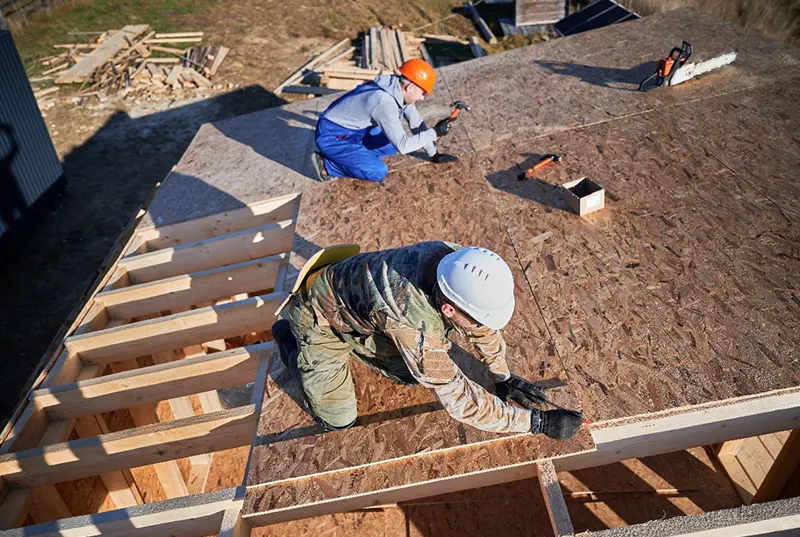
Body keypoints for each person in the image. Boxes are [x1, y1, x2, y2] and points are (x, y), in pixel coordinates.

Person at [271, 241, 584, 440]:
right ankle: (290, 342)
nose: (480, 327)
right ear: (448, 308)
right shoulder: (413, 326)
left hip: (363, 305)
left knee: (410, 376)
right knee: (338, 421)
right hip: (318, 315)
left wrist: (502, 377)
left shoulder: (459, 263)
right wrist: (537, 423)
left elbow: (483, 328)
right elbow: (462, 402)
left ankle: (359, 339)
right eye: (475, 319)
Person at [312, 59, 459, 183]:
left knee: (391, 144)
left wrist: (433, 154)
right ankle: (328, 166)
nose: (422, 98)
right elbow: (404, 146)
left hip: (353, 131)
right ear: (410, 86)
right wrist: (435, 132)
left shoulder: (397, 87)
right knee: (377, 171)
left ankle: (355, 157)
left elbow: (416, 123)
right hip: (332, 136)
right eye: (423, 93)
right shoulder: (384, 103)